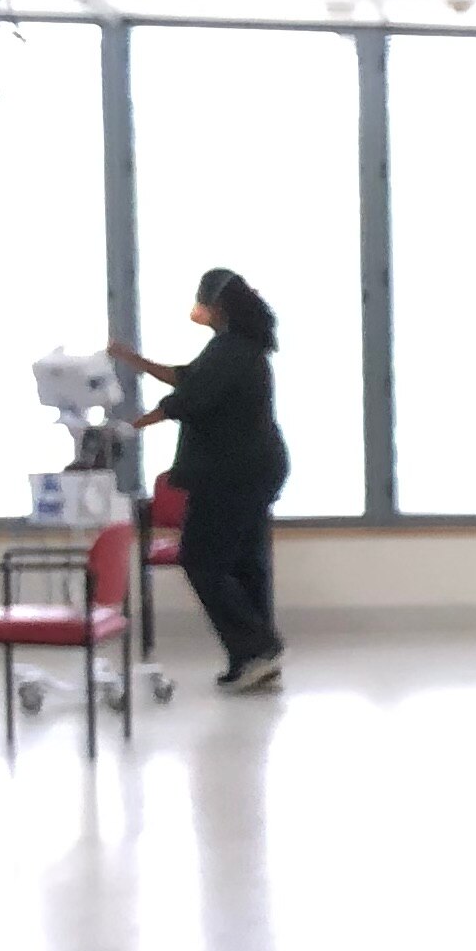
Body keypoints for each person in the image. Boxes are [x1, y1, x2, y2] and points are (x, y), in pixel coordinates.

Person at [114, 267, 287, 692]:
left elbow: (186, 399)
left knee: (201, 559)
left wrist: (130, 426)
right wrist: (135, 362)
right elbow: (187, 377)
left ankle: (257, 645)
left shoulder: (230, 350)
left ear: (218, 306)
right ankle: (254, 659)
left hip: (232, 475)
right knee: (246, 565)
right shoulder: (236, 348)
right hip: (254, 470)